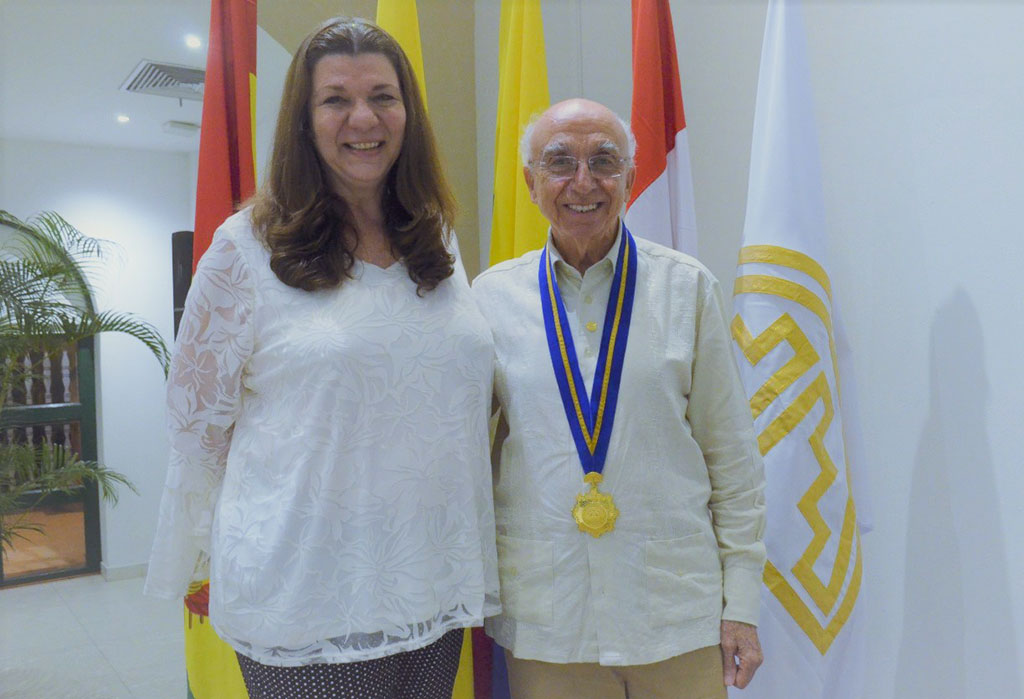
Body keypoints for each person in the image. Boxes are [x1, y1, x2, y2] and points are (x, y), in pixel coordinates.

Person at [145, 17, 498, 699]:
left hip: (429, 579)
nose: (362, 117)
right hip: (310, 594)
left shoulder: (436, 237)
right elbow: (196, 426)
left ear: (408, 113)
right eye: (336, 98)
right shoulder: (245, 246)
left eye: (383, 96)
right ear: (303, 121)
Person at [472, 98, 767, 699]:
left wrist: (742, 604)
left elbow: (733, 461)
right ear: (531, 183)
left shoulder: (686, 289)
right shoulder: (489, 299)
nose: (583, 182)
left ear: (631, 178)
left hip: (675, 618)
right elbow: (466, 458)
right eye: (560, 162)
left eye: (604, 161)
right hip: (549, 622)